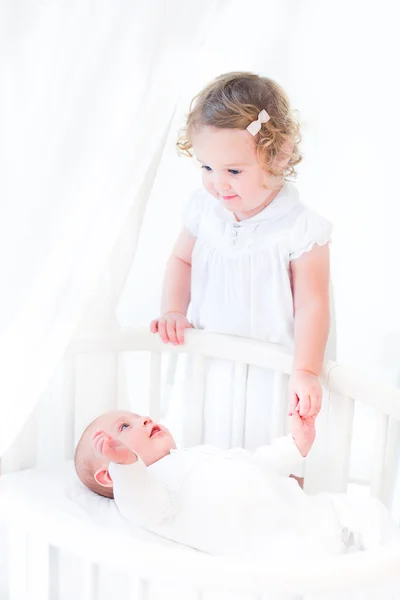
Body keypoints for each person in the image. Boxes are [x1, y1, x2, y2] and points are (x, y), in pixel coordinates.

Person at [150, 72, 332, 451]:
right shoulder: (205, 212)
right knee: (201, 441)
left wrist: (305, 371)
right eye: (206, 168)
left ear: (278, 154)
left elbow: (312, 304)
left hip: (274, 370)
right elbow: (181, 260)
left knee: (272, 451)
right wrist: (173, 310)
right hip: (209, 359)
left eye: (233, 170)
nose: (219, 184)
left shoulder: (298, 229)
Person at [74, 410, 399, 559]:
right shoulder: (151, 494)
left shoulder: (194, 455)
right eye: (126, 425)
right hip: (288, 551)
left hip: (311, 512)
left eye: (140, 415)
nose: (145, 419)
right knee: (363, 569)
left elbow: (255, 462)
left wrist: (294, 445)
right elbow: (135, 496)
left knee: (373, 515)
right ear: (109, 476)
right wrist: (124, 465)